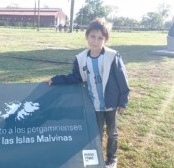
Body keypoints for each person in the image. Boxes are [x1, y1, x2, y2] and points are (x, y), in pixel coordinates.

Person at [44, 18, 130, 168]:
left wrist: (123, 100)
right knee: (96, 133)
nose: (95, 41)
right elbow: (75, 77)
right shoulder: (81, 58)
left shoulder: (112, 56)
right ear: (87, 36)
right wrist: (56, 79)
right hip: (94, 104)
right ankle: (98, 158)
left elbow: (122, 79)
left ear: (105, 40)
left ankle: (112, 159)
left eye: (100, 38)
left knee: (112, 132)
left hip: (111, 104)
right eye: (92, 36)